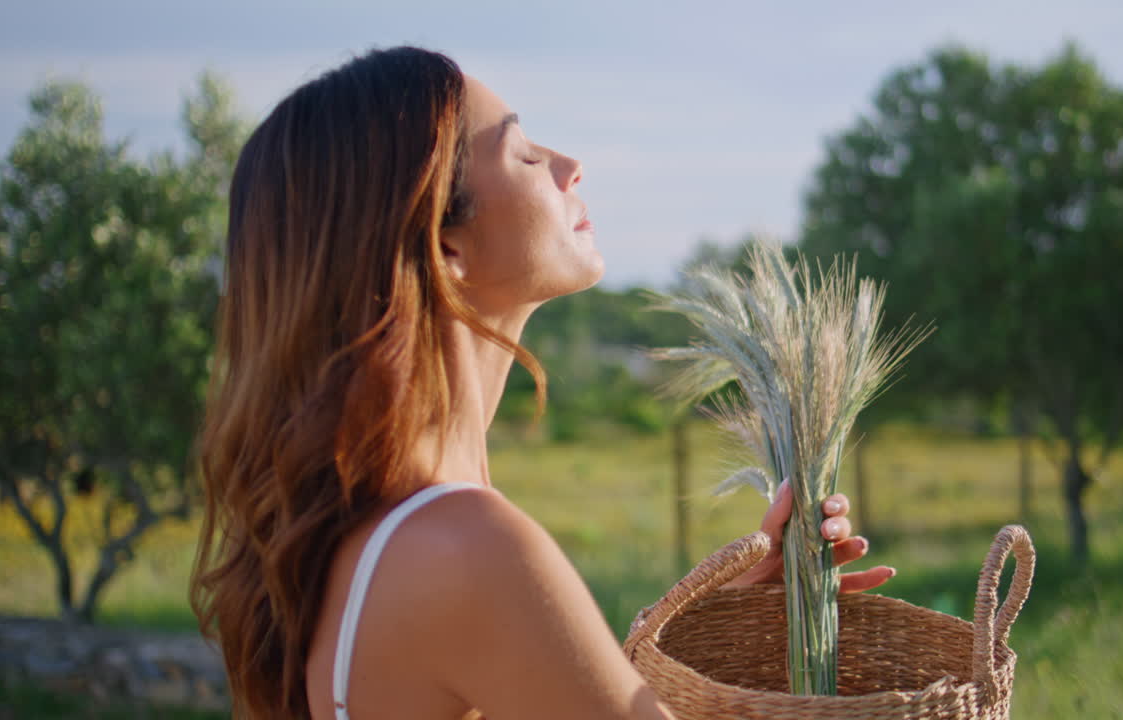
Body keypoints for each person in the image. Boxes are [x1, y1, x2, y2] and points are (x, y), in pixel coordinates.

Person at [190, 46, 895, 720]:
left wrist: (729, 625)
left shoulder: (391, 534)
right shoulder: (466, 546)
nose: (572, 165)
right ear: (445, 246)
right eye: (524, 153)